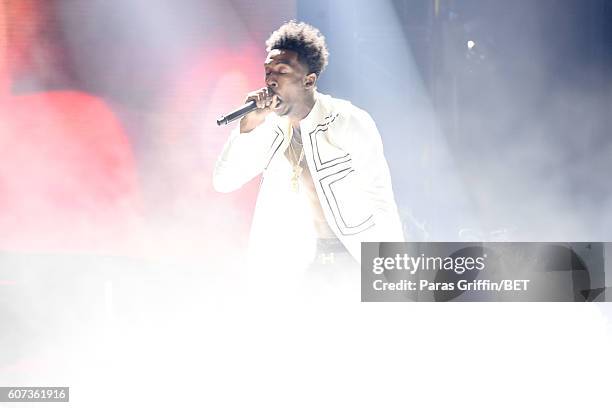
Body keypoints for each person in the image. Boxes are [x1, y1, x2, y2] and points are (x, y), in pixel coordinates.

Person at [213, 20, 403, 275]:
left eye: (281, 70)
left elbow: (380, 201)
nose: (270, 79)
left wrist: (392, 278)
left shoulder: (347, 121)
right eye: (268, 71)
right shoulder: (266, 129)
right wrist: (247, 129)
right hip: (294, 265)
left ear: (308, 80)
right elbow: (224, 182)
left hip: (351, 258)